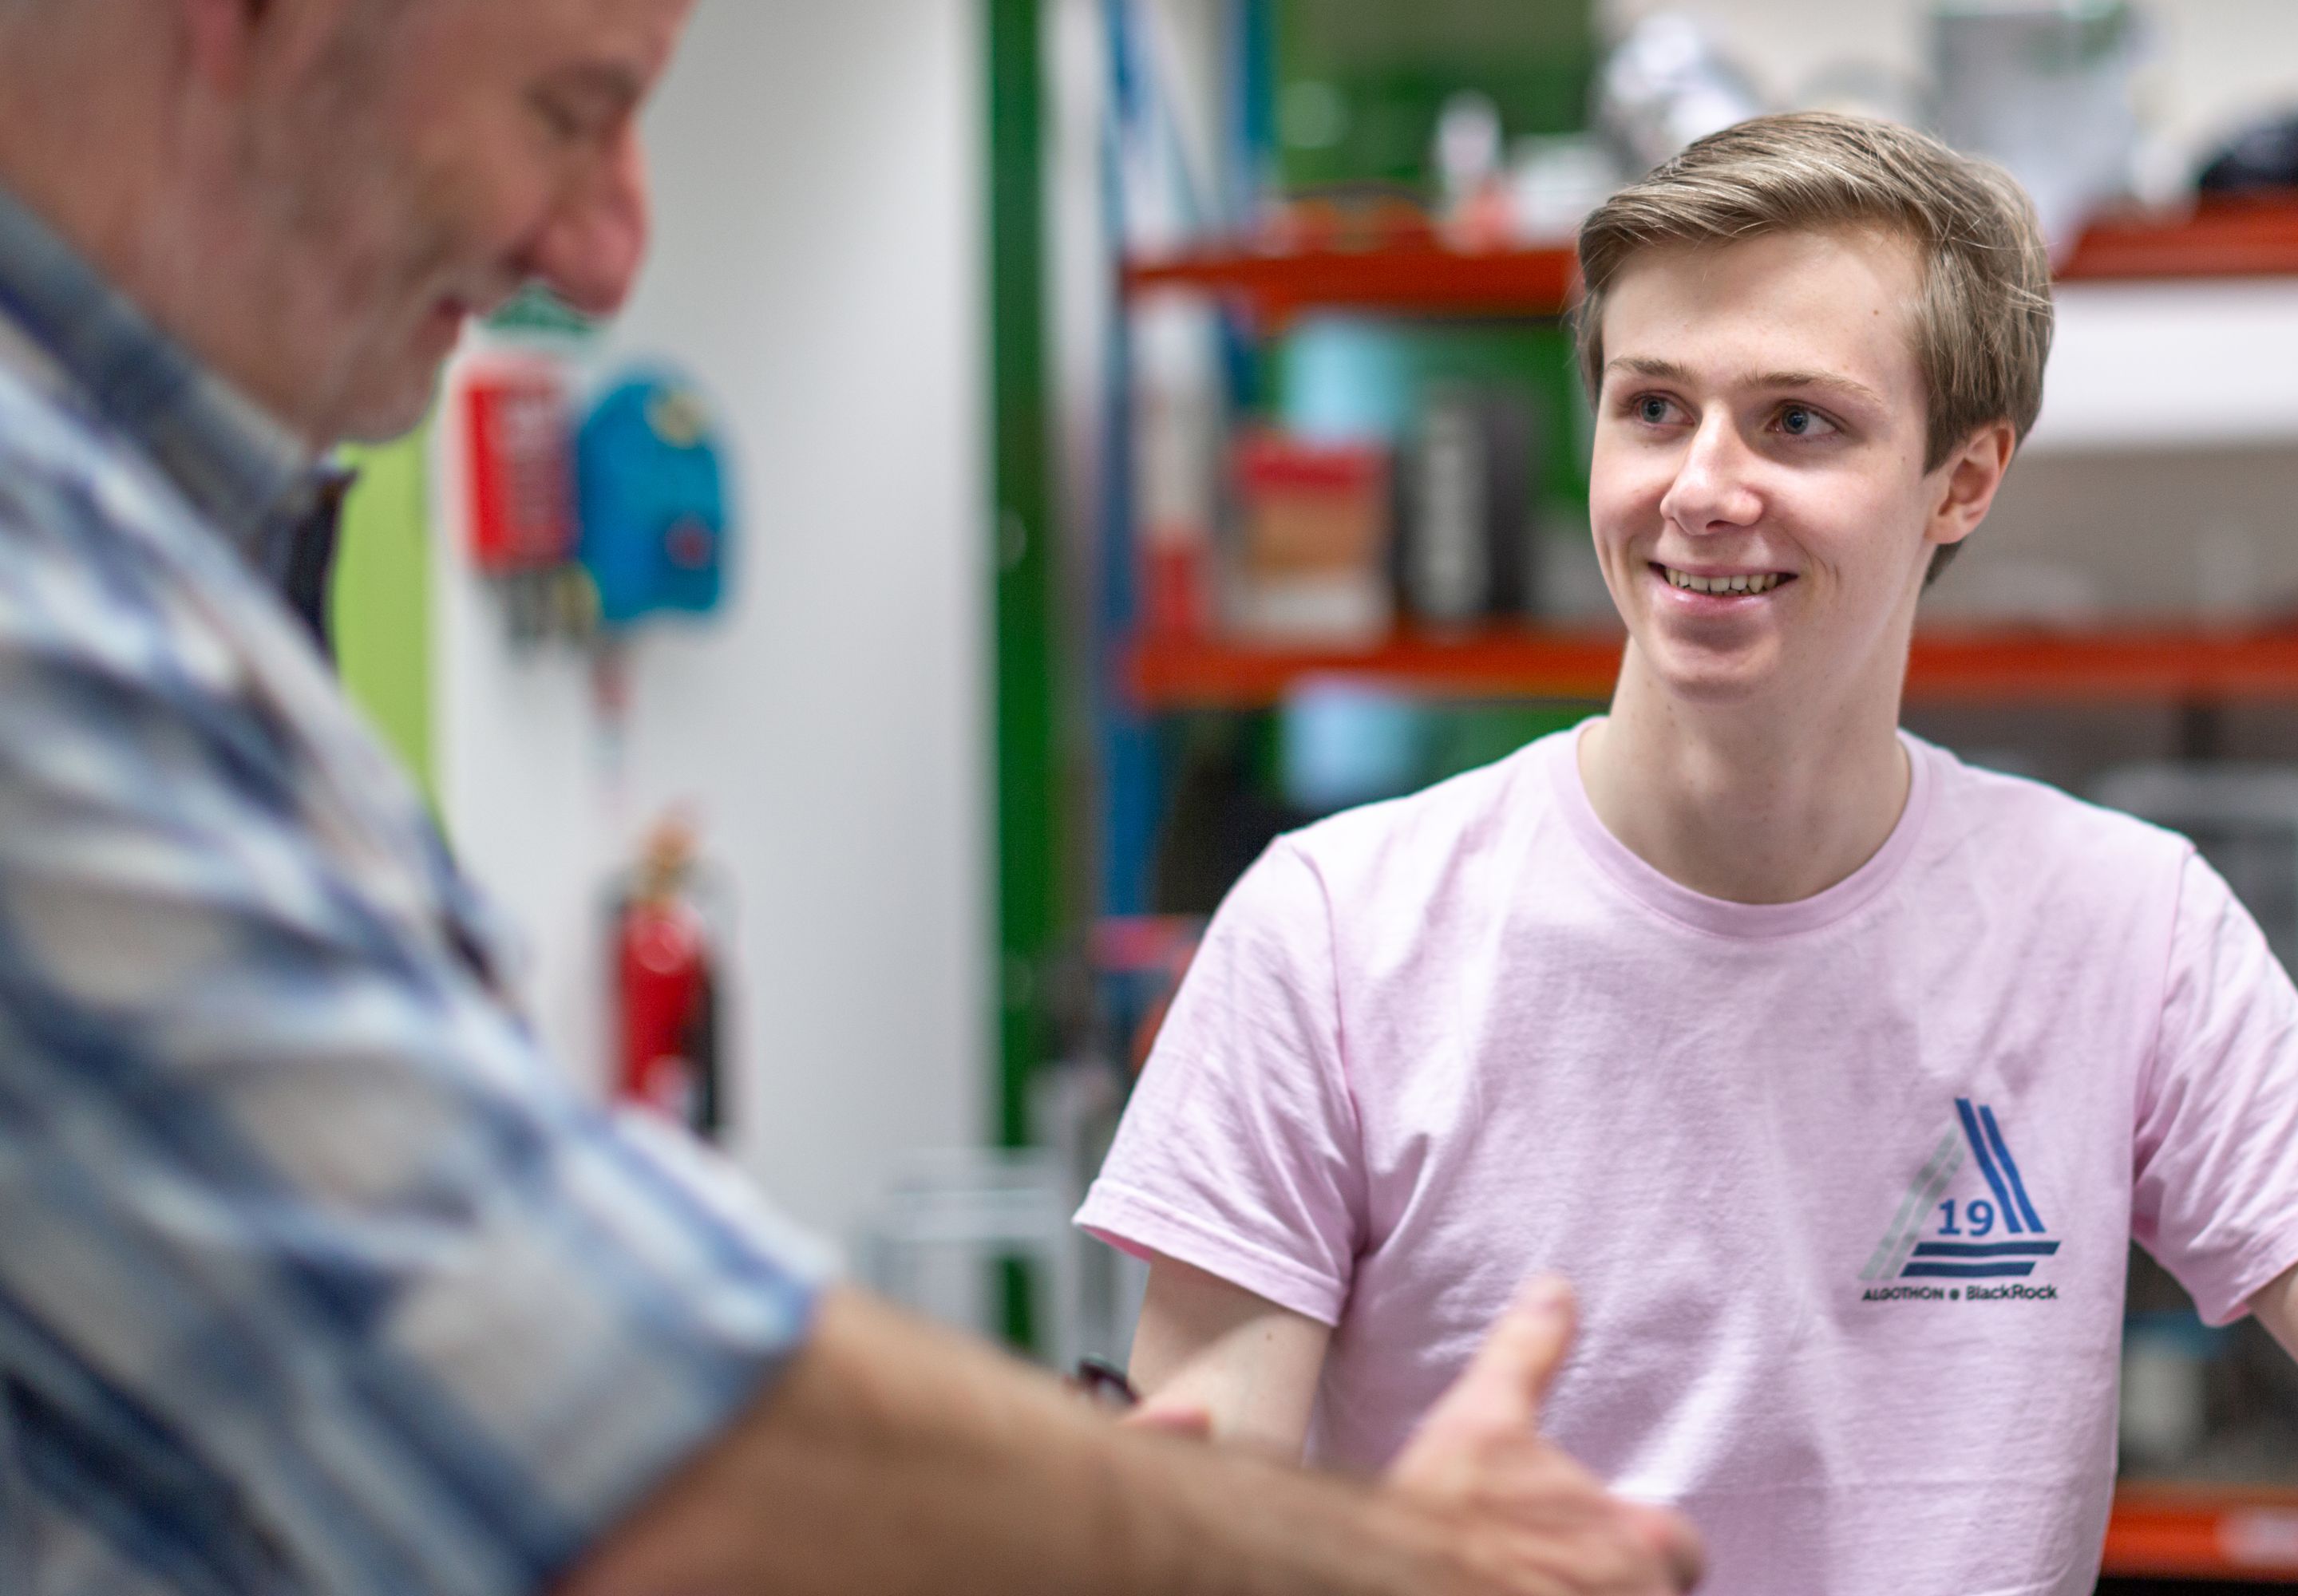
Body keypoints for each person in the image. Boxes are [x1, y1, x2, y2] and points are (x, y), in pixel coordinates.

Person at [0, 2, 1707, 1594]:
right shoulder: (42, 608)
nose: (602, 258)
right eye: (567, 110)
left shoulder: (164, 552)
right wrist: (1370, 1558)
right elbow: (608, 1411)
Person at [1079, 110, 2298, 1596]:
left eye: (1797, 421)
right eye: (1653, 407)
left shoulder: (2128, 929)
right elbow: (1175, 1553)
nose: (1701, 488)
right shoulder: (1332, 936)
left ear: (1963, 481)